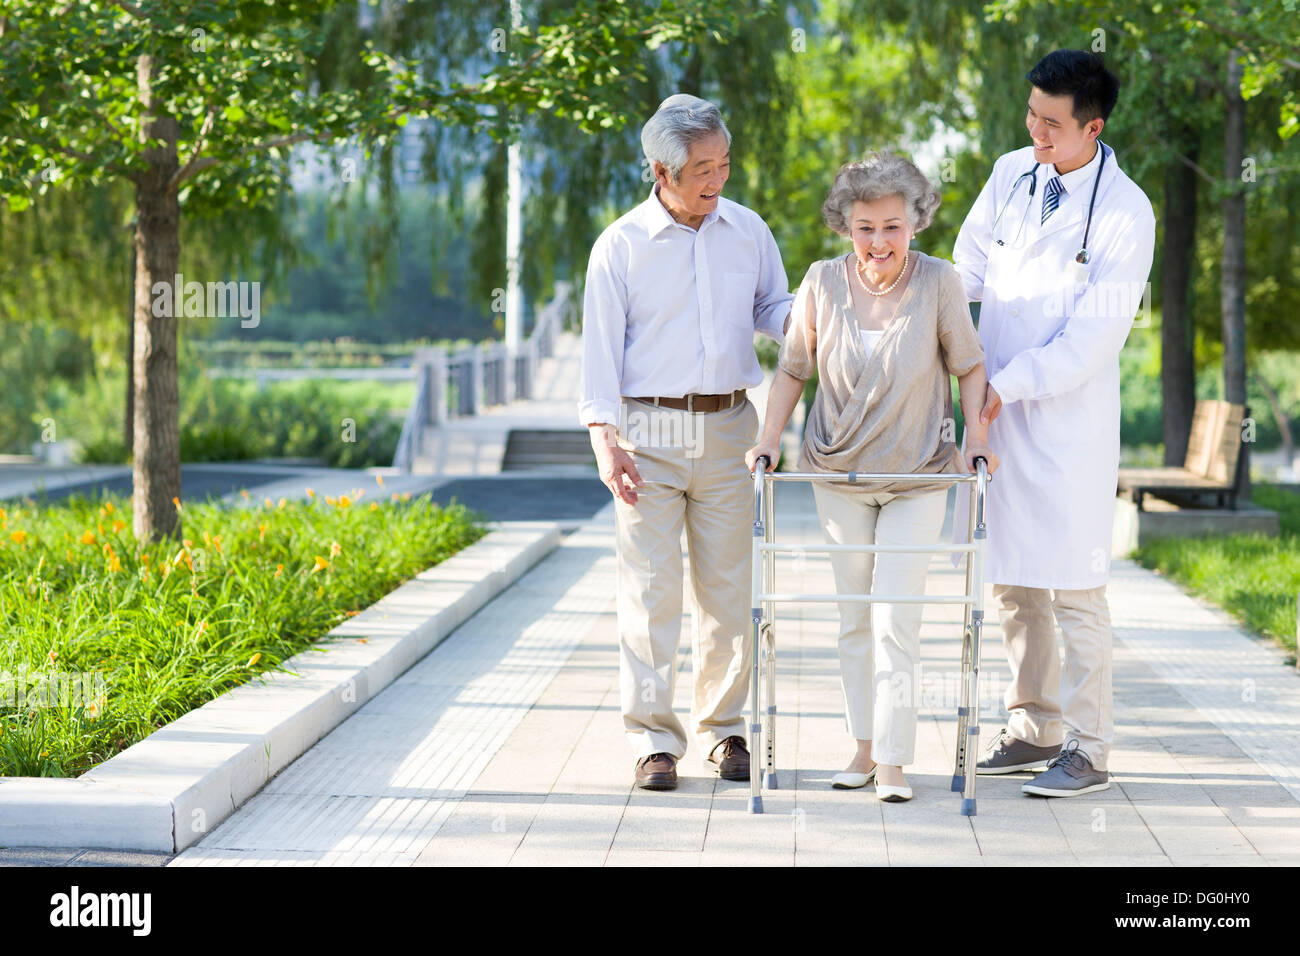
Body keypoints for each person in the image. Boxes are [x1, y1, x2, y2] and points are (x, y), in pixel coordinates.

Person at [746, 150, 997, 803]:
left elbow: (968, 365)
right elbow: (794, 370)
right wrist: (768, 441)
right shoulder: (822, 282)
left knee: (896, 616)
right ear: (844, 225)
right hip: (838, 471)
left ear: (916, 220)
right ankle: (861, 746)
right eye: (865, 227)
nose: (879, 241)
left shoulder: (939, 282)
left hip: (918, 471)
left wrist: (977, 437)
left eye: (892, 226)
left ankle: (892, 760)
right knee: (853, 617)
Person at [952, 49, 1156, 796]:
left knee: (1074, 587)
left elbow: (1093, 340)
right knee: (1012, 582)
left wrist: (1007, 383)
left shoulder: (1126, 211)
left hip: (1066, 422)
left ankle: (1092, 749)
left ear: (1091, 126)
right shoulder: (1011, 172)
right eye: (1031, 114)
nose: (1034, 131)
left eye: (1051, 124)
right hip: (1000, 414)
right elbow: (967, 267)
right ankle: (1032, 725)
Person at [579, 94, 795, 791]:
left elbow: (773, 309)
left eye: (725, 163)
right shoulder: (621, 245)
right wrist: (602, 439)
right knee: (650, 590)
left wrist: (827, 315)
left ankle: (725, 731)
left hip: (731, 425)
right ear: (660, 170)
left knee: (730, 589)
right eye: (702, 168)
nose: (717, 179)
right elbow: (600, 353)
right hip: (649, 432)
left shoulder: (748, 230)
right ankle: (652, 741)